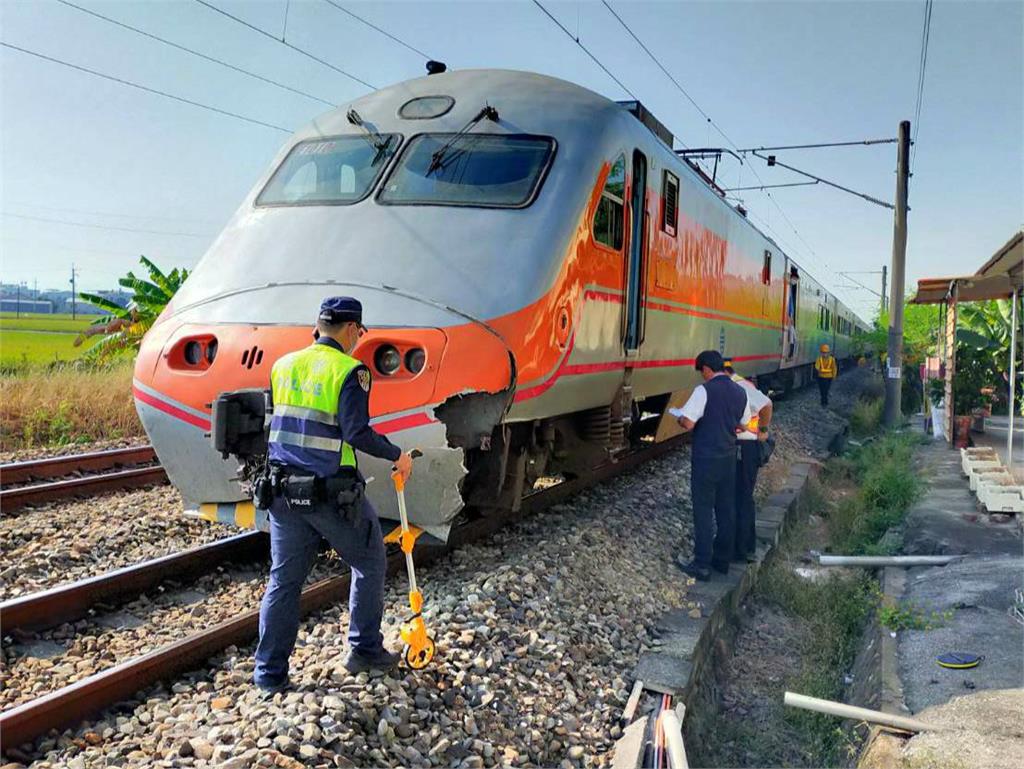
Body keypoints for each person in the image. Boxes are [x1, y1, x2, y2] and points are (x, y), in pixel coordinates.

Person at [253, 296, 415, 694]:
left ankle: (268, 675)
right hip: (330, 494)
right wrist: (398, 455)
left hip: (282, 493)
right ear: (350, 330)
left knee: (284, 581)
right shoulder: (350, 370)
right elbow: (356, 432)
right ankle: (364, 649)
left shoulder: (282, 365)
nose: (359, 338)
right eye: (360, 331)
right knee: (370, 560)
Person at [674, 350, 751, 581]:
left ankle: (702, 564)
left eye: (701, 372)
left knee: (704, 510)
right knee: (725, 509)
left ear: (707, 368)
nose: (702, 376)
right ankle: (722, 561)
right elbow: (744, 425)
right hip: (728, 458)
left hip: (706, 459)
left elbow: (688, 422)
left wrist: (679, 417)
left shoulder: (703, 391)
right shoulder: (740, 391)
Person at [723, 358, 773, 563]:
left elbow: (767, 405)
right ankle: (743, 547)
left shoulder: (741, 386)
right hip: (742, 447)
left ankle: (741, 549)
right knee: (741, 498)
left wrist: (762, 430)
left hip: (745, 448)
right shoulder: (737, 385)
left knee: (741, 498)